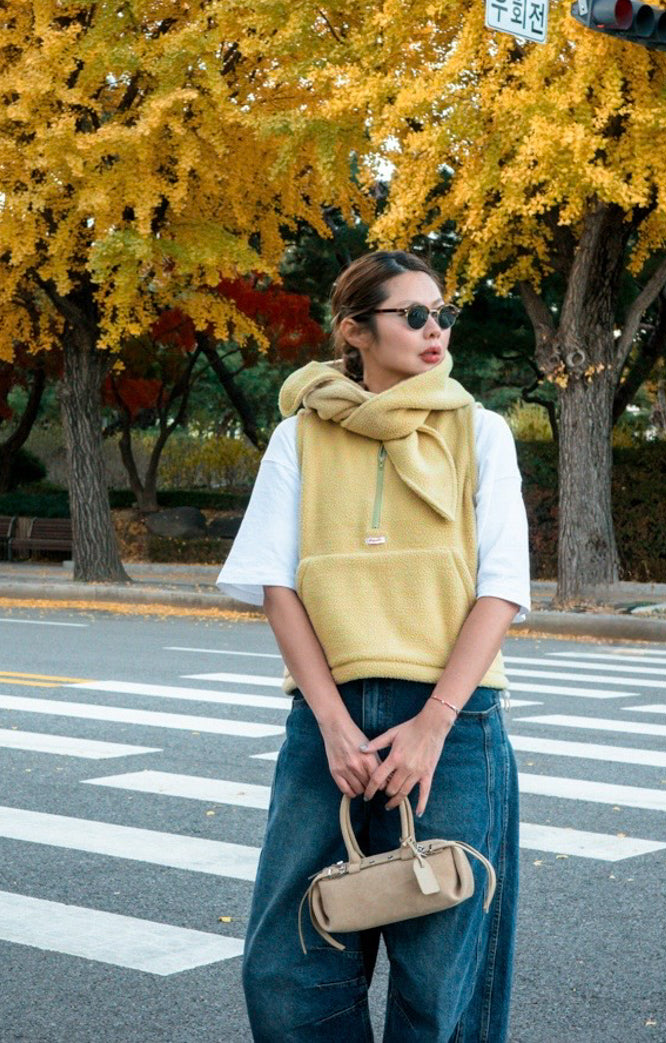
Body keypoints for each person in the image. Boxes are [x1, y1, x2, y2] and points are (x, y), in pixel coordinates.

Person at [218, 250, 531, 1041]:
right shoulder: (300, 436)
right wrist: (330, 721)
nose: (435, 329)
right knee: (289, 966)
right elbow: (276, 583)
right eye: (414, 314)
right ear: (355, 330)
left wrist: (434, 723)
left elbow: (502, 587)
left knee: (441, 979)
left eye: (442, 313)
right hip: (330, 723)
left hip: (453, 722)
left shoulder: (481, 431)